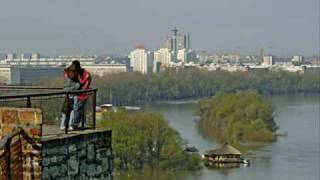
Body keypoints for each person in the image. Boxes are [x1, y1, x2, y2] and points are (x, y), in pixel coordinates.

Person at [71, 60, 92, 128]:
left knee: (77, 109)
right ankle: (79, 123)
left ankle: (75, 123)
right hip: (80, 94)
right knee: (79, 109)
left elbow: (84, 83)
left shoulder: (83, 74)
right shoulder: (82, 74)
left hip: (81, 94)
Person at [60, 64, 81, 130]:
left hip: (72, 97)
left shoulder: (73, 79)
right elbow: (66, 89)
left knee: (70, 111)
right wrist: (75, 87)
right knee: (67, 111)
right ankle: (66, 125)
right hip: (70, 96)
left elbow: (66, 88)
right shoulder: (70, 80)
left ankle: (67, 125)